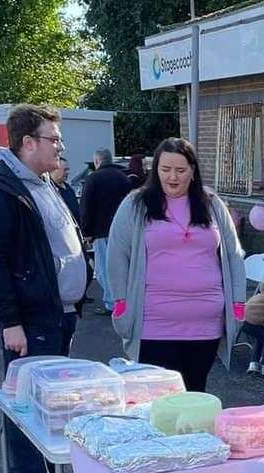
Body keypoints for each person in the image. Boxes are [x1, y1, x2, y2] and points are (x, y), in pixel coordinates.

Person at [0, 104, 87, 473]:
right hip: (31, 320)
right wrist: (10, 323)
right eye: (53, 139)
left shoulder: (41, 182)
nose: (60, 146)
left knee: (54, 404)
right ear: (27, 143)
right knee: (28, 408)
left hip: (59, 314)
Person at [107, 138, 246, 393]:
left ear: (193, 171)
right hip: (154, 325)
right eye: (165, 169)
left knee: (195, 396)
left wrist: (238, 304)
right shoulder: (135, 205)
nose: (173, 177)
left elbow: (234, 256)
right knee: (158, 402)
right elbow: (116, 257)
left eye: (180, 170)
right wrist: (121, 302)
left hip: (205, 326)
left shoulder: (212, 205)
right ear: (155, 170)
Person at [81, 148, 132, 316]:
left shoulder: (93, 179)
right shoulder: (124, 178)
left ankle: (112, 303)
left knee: (104, 270)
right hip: (124, 232)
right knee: (123, 268)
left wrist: (86, 231)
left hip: (101, 231)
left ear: (97, 162)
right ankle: (125, 301)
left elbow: (86, 206)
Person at [242, 271, 264, 377]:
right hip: (256, 324)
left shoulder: (259, 295)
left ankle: (254, 364)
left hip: (246, 322)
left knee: (260, 339)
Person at [49, 156, 80, 222]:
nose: (68, 172)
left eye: (68, 169)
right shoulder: (50, 189)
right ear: (55, 169)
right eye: (65, 170)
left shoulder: (68, 188)